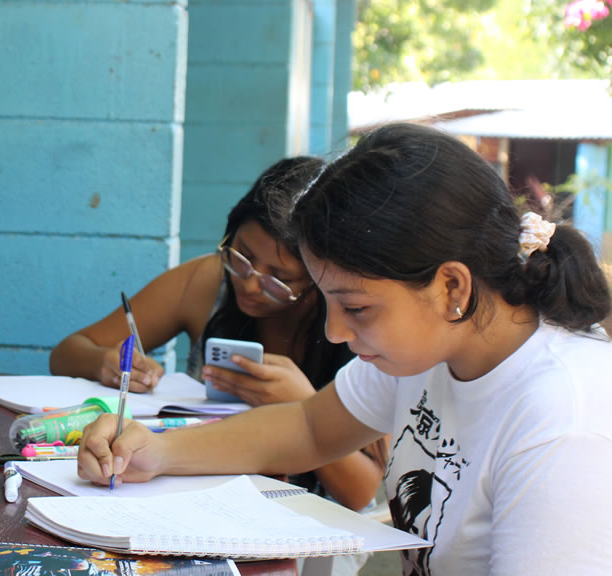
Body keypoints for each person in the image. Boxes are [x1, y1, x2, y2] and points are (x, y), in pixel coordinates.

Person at [77, 123, 612, 575]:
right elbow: (310, 427)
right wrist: (157, 452)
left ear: (453, 288)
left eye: (355, 308)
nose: (335, 332)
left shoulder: (564, 424)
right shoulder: (434, 348)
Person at [50, 157, 387, 517]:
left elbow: (360, 492)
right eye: (242, 256)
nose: (250, 283)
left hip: (316, 522)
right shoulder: (207, 283)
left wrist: (304, 404)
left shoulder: (350, 326)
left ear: (319, 280)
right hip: (198, 495)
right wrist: (105, 363)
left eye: (280, 279)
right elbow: (67, 352)